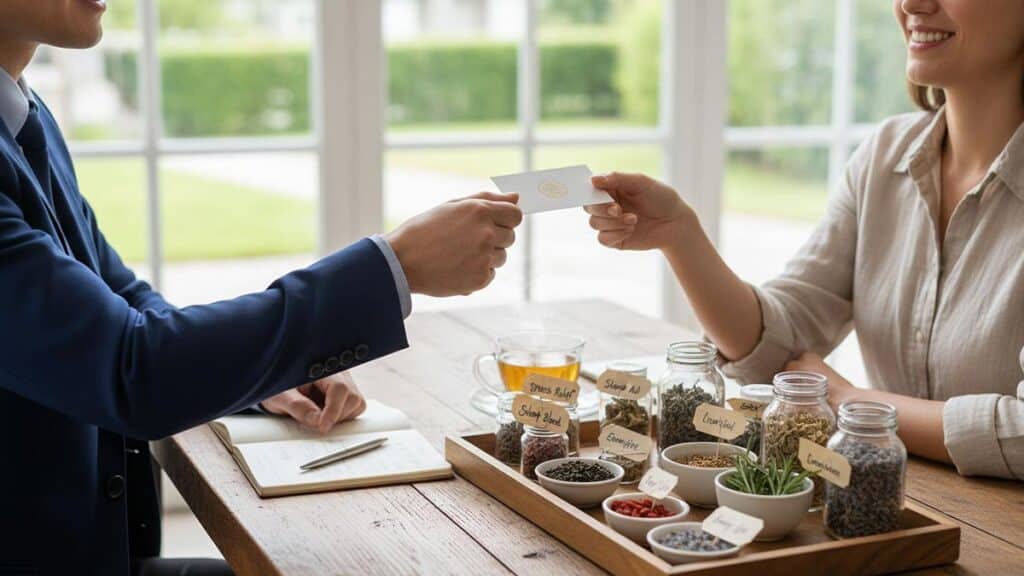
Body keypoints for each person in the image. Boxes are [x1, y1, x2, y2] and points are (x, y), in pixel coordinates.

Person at [0, 1, 522, 574]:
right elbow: (133, 369)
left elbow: (129, 302)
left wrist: (271, 378)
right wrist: (394, 267)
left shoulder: (24, 113)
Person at [586, 0, 1024, 481]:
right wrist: (680, 236)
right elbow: (781, 344)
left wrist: (851, 400)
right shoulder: (884, 157)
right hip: (891, 500)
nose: (910, 4)